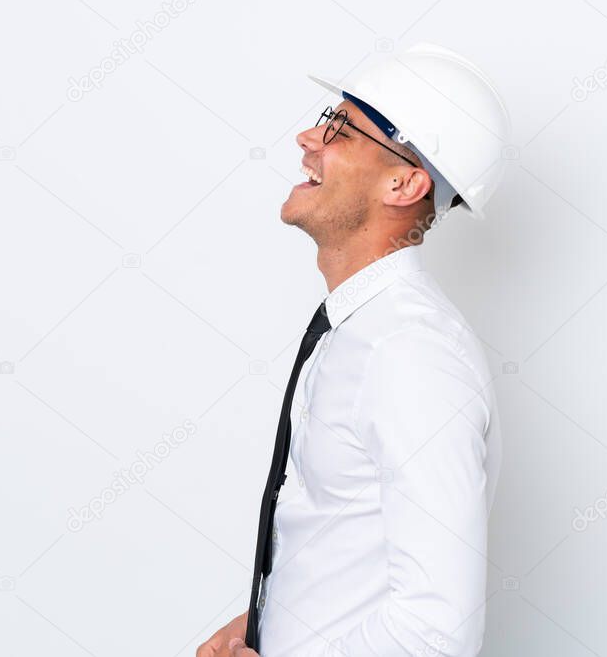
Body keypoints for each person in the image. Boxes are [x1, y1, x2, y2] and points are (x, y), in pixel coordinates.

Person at [198, 41, 512, 657]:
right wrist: (260, 623)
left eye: (341, 127)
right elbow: (346, 540)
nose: (308, 137)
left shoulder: (411, 354)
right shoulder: (359, 332)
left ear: (404, 182)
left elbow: (436, 632)